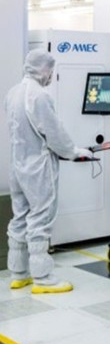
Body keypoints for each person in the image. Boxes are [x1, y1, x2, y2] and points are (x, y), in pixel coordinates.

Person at [5, 49, 91, 293]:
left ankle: (18, 274)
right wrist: (74, 151)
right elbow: (54, 133)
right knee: (40, 219)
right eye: (51, 71)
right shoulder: (39, 96)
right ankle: (43, 279)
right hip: (38, 167)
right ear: (44, 70)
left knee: (20, 217)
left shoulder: (13, 93)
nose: (51, 75)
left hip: (18, 165)